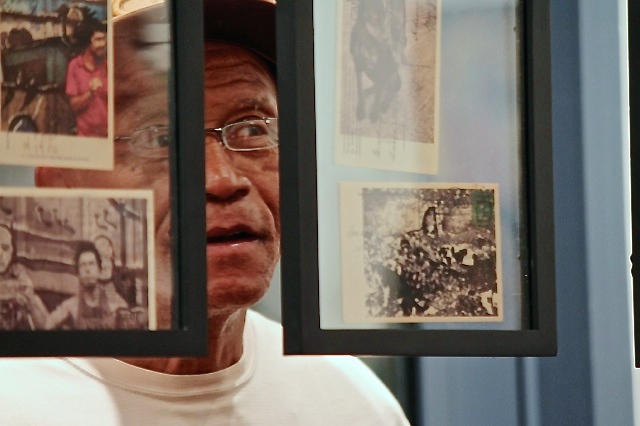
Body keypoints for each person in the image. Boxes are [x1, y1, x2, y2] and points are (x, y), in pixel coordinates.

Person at [0, 1, 410, 424]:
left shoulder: (351, 404)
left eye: (252, 128)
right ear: (60, 181)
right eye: (160, 137)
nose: (220, 179)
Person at [45, 241, 129, 330]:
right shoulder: (72, 305)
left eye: (91, 264)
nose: (87, 269)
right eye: (83, 265)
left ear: (99, 270)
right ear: (78, 274)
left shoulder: (115, 303)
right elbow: (48, 323)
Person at [65, 17, 108, 137]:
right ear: (87, 43)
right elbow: (73, 106)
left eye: (105, 39)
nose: (103, 44)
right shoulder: (75, 66)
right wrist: (90, 93)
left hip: (108, 137)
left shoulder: (109, 64)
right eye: (98, 39)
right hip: (85, 136)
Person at [0, 225, 48, 330]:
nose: (0, 254)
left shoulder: (21, 279)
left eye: (5, 248)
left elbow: (46, 325)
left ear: (12, 252)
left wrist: (31, 300)